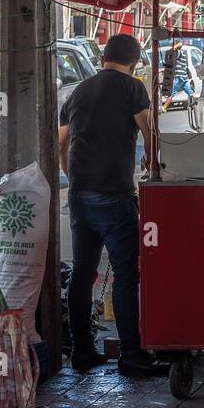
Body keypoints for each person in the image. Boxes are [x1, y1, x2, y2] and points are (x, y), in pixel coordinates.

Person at [58, 33, 169, 378]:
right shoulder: (132, 87)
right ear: (134, 62)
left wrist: (71, 175)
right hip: (115, 195)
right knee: (125, 275)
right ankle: (132, 355)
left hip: (79, 194)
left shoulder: (78, 91)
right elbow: (149, 133)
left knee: (82, 273)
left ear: (103, 56)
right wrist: (154, 168)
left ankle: (82, 351)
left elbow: (59, 144)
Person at [160, 38, 197, 112]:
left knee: (171, 93)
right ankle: (196, 104)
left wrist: (174, 47)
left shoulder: (179, 52)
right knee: (191, 93)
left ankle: (164, 107)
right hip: (184, 78)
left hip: (179, 78)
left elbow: (178, 46)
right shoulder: (183, 53)